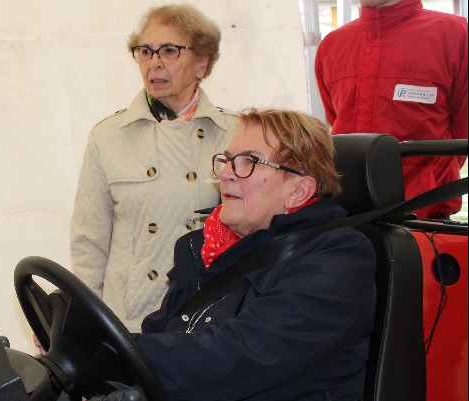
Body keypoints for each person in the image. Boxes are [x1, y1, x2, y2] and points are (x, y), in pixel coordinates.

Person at [134, 108, 377, 399]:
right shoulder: (206, 247)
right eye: (227, 160)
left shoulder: (337, 258)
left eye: (249, 162)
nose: (225, 174)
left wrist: (115, 356)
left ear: (298, 191)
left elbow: (235, 357)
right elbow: (159, 333)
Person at [70, 4, 239, 332]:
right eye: (145, 52)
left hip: (209, 314)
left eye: (170, 51)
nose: (154, 62)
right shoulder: (107, 137)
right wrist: (88, 321)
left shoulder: (236, 133)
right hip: (131, 317)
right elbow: (88, 242)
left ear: (201, 64)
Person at [314, 0, 468, 219]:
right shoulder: (332, 46)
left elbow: (462, 132)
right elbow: (338, 121)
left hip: (425, 214)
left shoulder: (454, 35)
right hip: (350, 215)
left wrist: (428, 177)